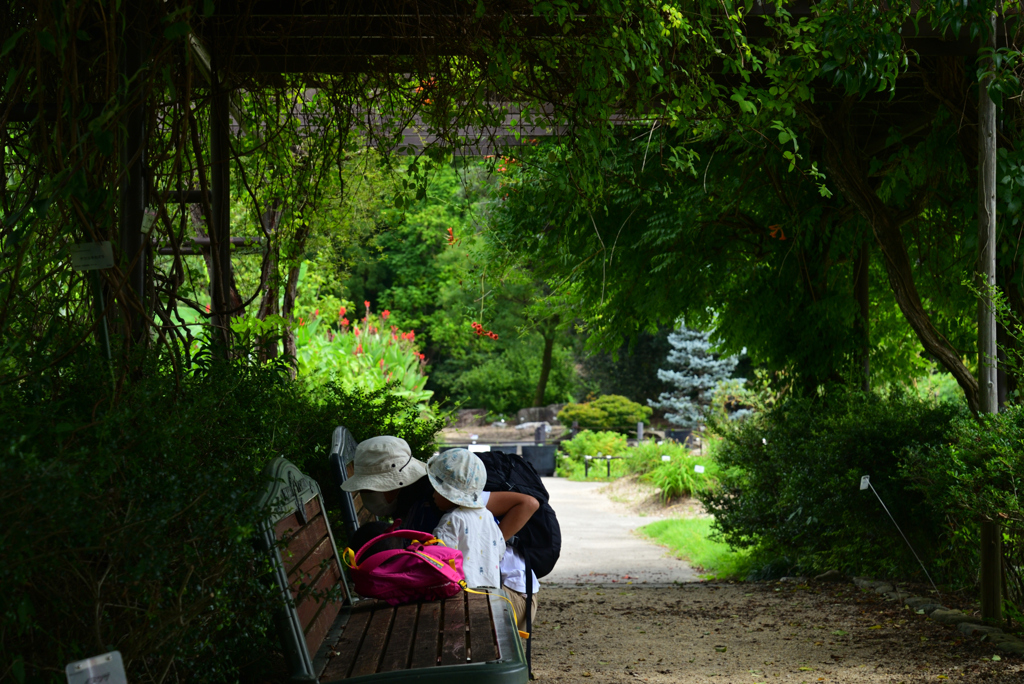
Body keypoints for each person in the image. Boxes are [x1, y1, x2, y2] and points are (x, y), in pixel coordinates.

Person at [426, 449, 504, 589]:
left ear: (448, 493)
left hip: (462, 595)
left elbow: (441, 561)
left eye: (436, 490)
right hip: (491, 592)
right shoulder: (487, 516)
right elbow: (500, 551)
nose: (433, 495)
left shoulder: (451, 520)